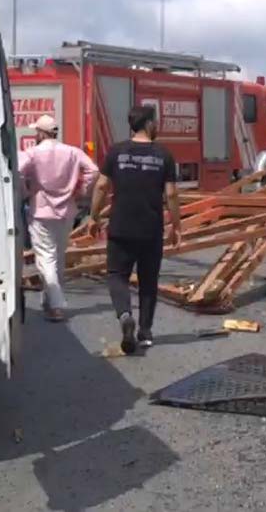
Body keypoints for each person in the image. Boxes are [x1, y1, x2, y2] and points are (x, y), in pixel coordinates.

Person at [89, 104, 181, 354]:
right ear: (149, 124)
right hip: (151, 229)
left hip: (120, 226)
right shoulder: (164, 155)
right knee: (148, 281)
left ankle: (124, 315)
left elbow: (100, 186)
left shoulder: (116, 152)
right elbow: (171, 194)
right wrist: (176, 225)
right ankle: (145, 332)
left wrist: (93, 217)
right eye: (156, 121)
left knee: (117, 275)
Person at [17, 114, 98, 322]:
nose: (35, 135)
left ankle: (56, 305)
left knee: (45, 258)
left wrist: (25, 191)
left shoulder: (32, 153)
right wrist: (81, 191)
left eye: (37, 131)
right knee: (57, 257)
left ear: (42, 133)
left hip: (40, 210)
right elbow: (93, 170)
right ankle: (49, 301)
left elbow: (15, 171)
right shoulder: (72, 152)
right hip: (67, 211)